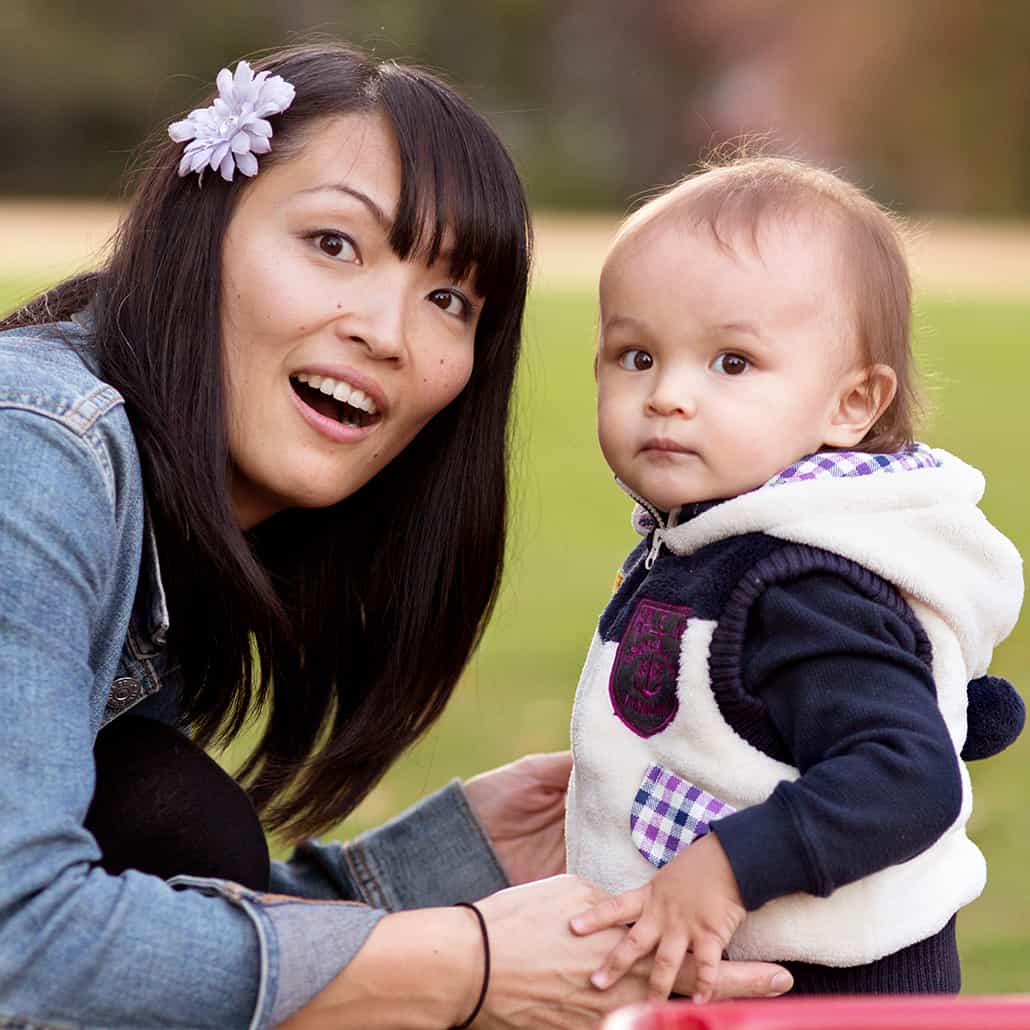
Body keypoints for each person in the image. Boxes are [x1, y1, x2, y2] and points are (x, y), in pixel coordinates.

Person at [0, 44, 795, 1029]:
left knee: (178, 817)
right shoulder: (34, 457)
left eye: (450, 299)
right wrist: (468, 964)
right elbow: (21, 941)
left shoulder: (173, 510)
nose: (387, 330)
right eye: (334, 244)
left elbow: (163, 900)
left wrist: (465, 861)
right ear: (195, 232)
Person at [561, 156, 1024, 1002]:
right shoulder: (708, 541)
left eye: (731, 363)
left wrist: (730, 868)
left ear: (851, 404)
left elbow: (906, 772)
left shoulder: (802, 585)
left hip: (828, 996)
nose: (667, 395)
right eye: (635, 355)